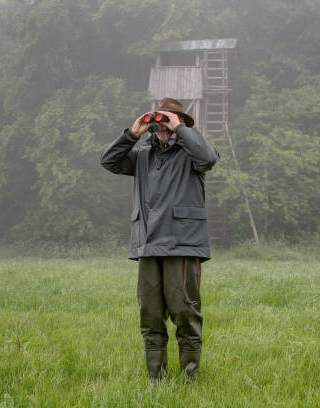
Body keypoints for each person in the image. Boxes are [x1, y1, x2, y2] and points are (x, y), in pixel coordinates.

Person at [100, 97, 219, 384]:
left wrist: (180, 126)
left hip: (182, 242)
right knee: (150, 314)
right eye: (159, 122)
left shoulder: (191, 153)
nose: (162, 127)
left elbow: (209, 158)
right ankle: (157, 382)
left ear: (179, 123)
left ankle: (190, 382)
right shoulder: (142, 155)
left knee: (184, 310)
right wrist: (133, 132)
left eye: (168, 121)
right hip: (149, 243)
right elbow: (109, 160)